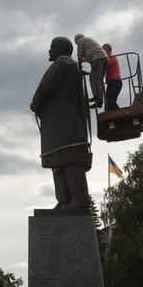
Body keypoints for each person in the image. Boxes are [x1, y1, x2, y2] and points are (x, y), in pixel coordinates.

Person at [30, 36, 92, 210]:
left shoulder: (62, 64)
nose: (49, 51)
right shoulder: (72, 66)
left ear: (63, 49)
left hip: (64, 125)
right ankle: (64, 200)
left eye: (53, 47)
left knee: (69, 159)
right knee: (58, 162)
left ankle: (79, 199)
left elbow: (45, 89)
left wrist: (35, 103)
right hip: (62, 125)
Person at [74, 33, 108, 108]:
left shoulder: (80, 41)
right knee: (99, 79)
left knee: (93, 78)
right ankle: (99, 98)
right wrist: (82, 62)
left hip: (97, 58)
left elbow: (79, 57)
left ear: (76, 40)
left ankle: (98, 98)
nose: (76, 44)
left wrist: (79, 67)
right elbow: (89, 56)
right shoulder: (88, 41)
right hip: (104, 58)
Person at [102, 44, 123, 110]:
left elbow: (105, 66)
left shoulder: (111, 57)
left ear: (108, 50)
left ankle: (119, 113)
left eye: (103, 50)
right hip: (112, 82)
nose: (102, 51)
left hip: (115, 81)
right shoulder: (109, 58)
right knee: (107, 103)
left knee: (110, 101)